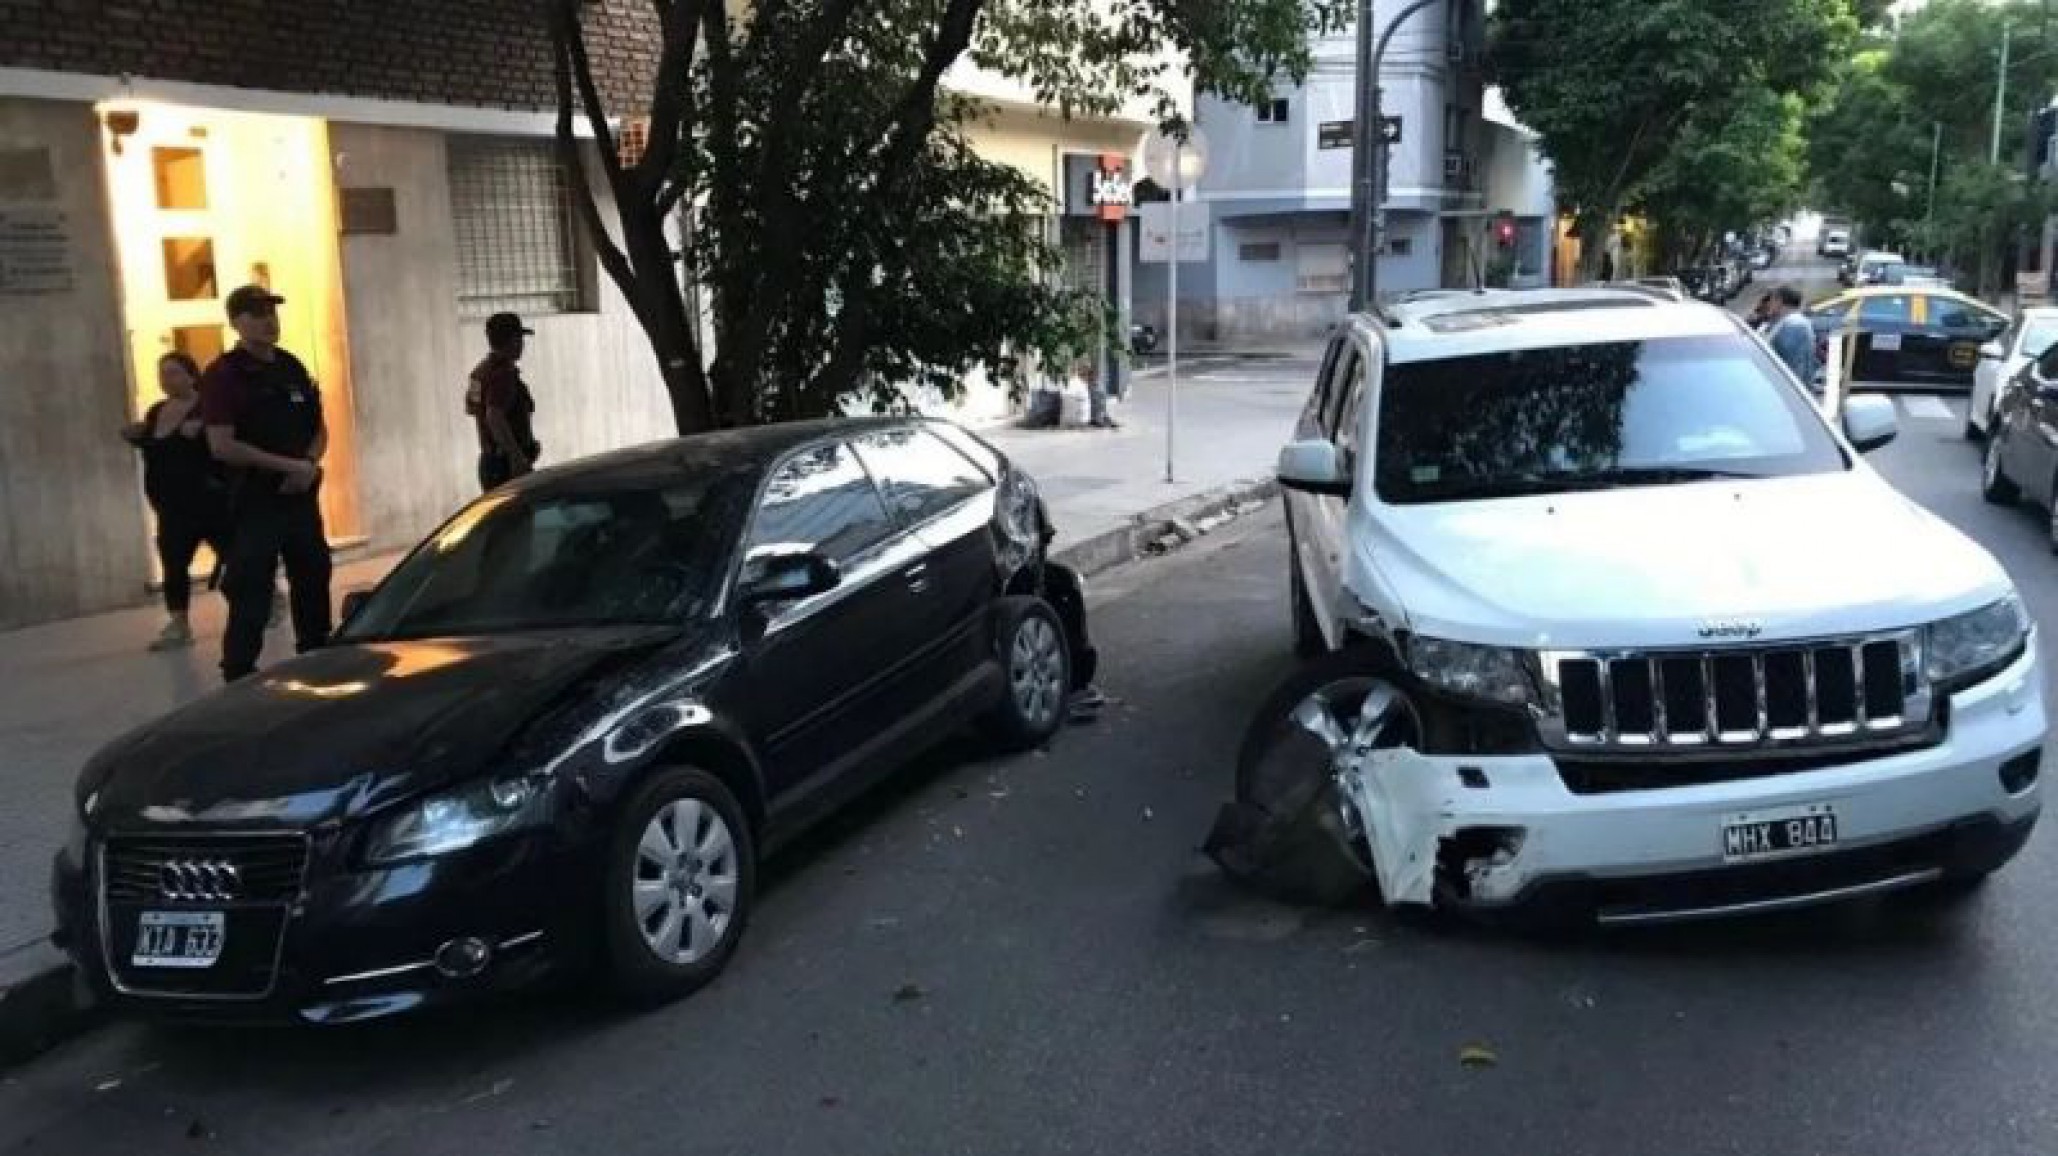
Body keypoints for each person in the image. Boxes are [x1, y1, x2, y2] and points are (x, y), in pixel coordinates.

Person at [200, 284, 333, 682]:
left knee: (313, 575)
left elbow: (319, 428)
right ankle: (239, 674)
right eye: (256, 314)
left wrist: (307, 464)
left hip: (300, 498)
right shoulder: (224, 374)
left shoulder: (291, 367)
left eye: (271, 312)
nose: (267, 321)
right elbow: (222, 445)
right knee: (251, 591)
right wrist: (286, 467)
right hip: (254, 501)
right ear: (236, 322)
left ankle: (317, 661)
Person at [121, 352, 232, 651]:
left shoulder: (206, 408)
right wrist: (138, 436)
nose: (166, 379)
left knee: (235, 556)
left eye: (173, 372)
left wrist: (202, 433)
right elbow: (158, 449)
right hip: (170, 505)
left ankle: (267, 598)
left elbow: (224, 444)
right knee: (174, 563)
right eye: (162, 373)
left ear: (191, 375)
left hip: (207, 501)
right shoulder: (157, 411)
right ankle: (179, 623)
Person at [466, 312, 542, 491]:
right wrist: (517, 457)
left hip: (491, 462)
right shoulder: (503, 375)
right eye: (520, 339)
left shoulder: (480, 372)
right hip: (506, 466)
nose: (523, 344)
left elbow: (475, 410)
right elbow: (494, 416)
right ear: (512, 341)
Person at [1764, 285, 1821, 387]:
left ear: (1779, 301)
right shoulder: (1791, 322)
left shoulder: (1794, 325)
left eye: (1771, 300)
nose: (1768, 304)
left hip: (1788, 389)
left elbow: (1791, 363)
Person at [1077, 357, 1118, 430]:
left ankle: (1102, 417)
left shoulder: (1095, 388)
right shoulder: (1084, 387)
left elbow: (1100, 403)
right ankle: (1100, 418)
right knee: (1097, 393)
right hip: (1090, 417)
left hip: (1094, 416)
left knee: (1099, 393)